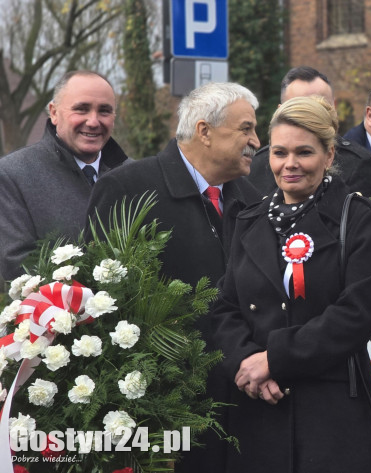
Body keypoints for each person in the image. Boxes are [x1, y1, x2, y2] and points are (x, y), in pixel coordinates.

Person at [87, 81, 264, 473]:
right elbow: (104, 294)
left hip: (242, 397)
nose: (256, 140)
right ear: (204, 131)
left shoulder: (253, 199)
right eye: (246, 128)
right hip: (163, 405)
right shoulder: (127, 188)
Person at [208, 95, 371, 472]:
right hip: (259, 407)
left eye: (304, 152)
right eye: (279, 152)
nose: (289, 164)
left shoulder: (358, 219)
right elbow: (226, 306)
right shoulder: (248, 219)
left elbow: (357, 313)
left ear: (329, 155)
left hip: (331, 413)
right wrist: (245, 362)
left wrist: (276, 359)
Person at [0, 70, 128, 280]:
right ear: (54, 112)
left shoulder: (133, 175)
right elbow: (18, 268)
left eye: (104, 111)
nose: (94, 121)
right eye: (81, 109)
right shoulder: (13, 175)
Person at [249, 66, 371, 201]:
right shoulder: (257, 164)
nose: (290, 164)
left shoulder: (358, 163)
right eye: (299, 109)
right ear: (280, 111)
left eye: (320, 107)